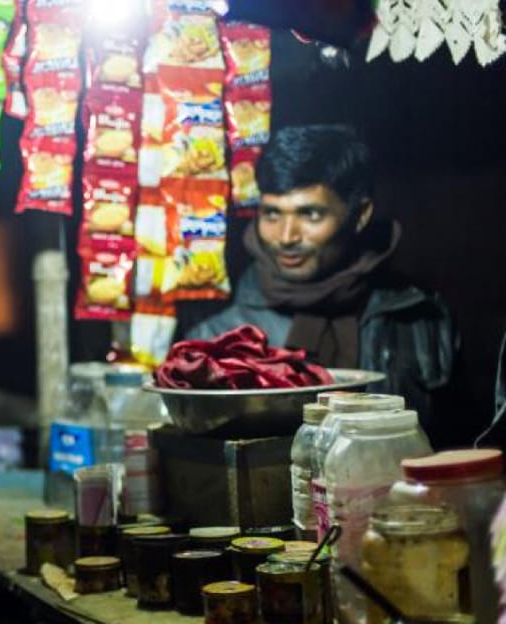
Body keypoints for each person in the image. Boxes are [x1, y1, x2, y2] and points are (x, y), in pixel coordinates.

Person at [184, 124, 455, 422]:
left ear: (361, 215)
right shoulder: (217, 341)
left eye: (310, 214)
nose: (286, 236)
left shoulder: (419, 318)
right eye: (272, 214)